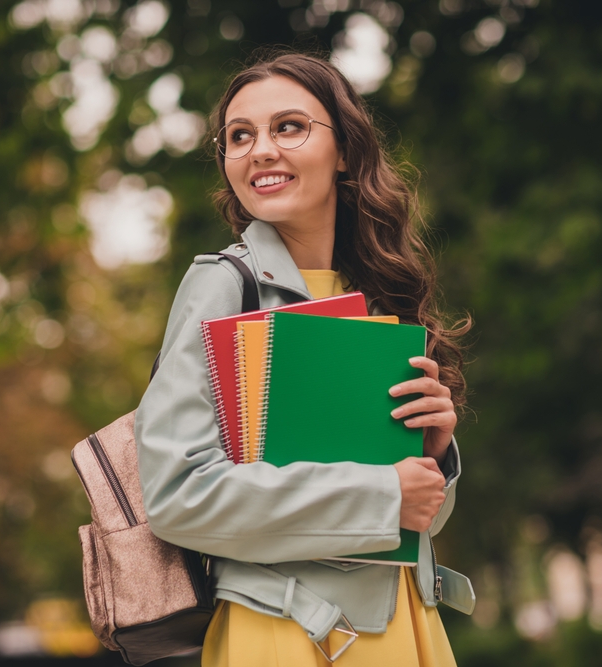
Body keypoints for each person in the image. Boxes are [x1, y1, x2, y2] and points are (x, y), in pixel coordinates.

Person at [135, 52, 470, 667]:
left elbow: (413, 521)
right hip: (286, 636)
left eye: (288, 127)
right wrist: (380, 494)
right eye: (241, 136)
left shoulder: (379, 292)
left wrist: (435, 455)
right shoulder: (223, 286)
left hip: (406, 628)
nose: (261, 149)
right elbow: (177, 492)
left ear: (344, 150)